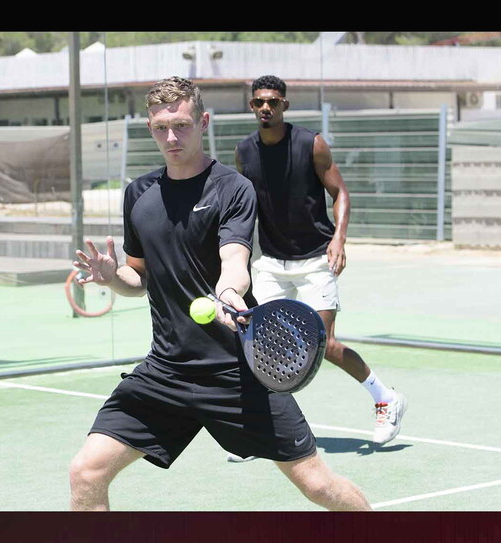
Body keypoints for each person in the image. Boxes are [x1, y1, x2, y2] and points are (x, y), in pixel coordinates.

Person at [68, 76, 371, 511]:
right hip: (166, 371)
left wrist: (228, 293)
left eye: (182, 125)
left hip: (238, 370)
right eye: (160, 127)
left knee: (318, 484)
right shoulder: (139, 194)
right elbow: (139, 280)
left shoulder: (232, 187)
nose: (171, 137)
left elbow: (235, 261)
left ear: (203, 121)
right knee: (86, 471)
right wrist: (110, 276)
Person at [228, 75, 406, 462]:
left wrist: (339, 238)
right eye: (259, 102)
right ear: (252, 106)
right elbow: (242, 209)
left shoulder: (312, 144)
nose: (265, 108)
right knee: (263, 349)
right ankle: (263, 435)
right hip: (270, 264)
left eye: (273, 102)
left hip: (314, 259)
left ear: (284, 105)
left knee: (322, 344)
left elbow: (340, 191)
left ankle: (386, 398)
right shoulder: (244, 152)